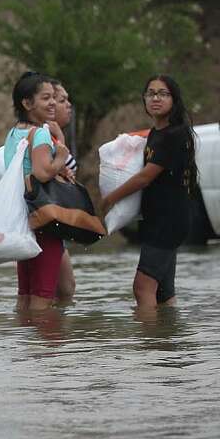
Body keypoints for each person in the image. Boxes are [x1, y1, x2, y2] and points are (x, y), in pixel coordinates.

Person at [100, 75, 198, 308]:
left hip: (169, 219)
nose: (156, 98)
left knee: (142, 286)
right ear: (144, 99)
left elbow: (145, 177)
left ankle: (149, 343)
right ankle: (168, 337)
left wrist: (109, 199)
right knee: (163, 294)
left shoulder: (176, 134)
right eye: (151, 93)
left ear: (174, 100)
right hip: (157, 219)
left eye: (163, 94)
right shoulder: (155, 134)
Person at [1, 72, 71, 312]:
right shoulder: (39, 133)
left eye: (54, 97)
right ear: (27, 103)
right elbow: (42, 173)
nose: (53, 103)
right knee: (42, 294)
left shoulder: (13, 133)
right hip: (44, 218)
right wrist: (61, 158)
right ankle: (45, 347)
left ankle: (25, 344)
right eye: (45, 98)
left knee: (25, 293)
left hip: (25, 217)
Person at [51, 79, 77, 302]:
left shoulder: (56, 135)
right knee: (62, 290)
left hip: (57, 222)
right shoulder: (46, 137)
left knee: (63, 290)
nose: (69, 105)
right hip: (47, 222)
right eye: (62, 100)